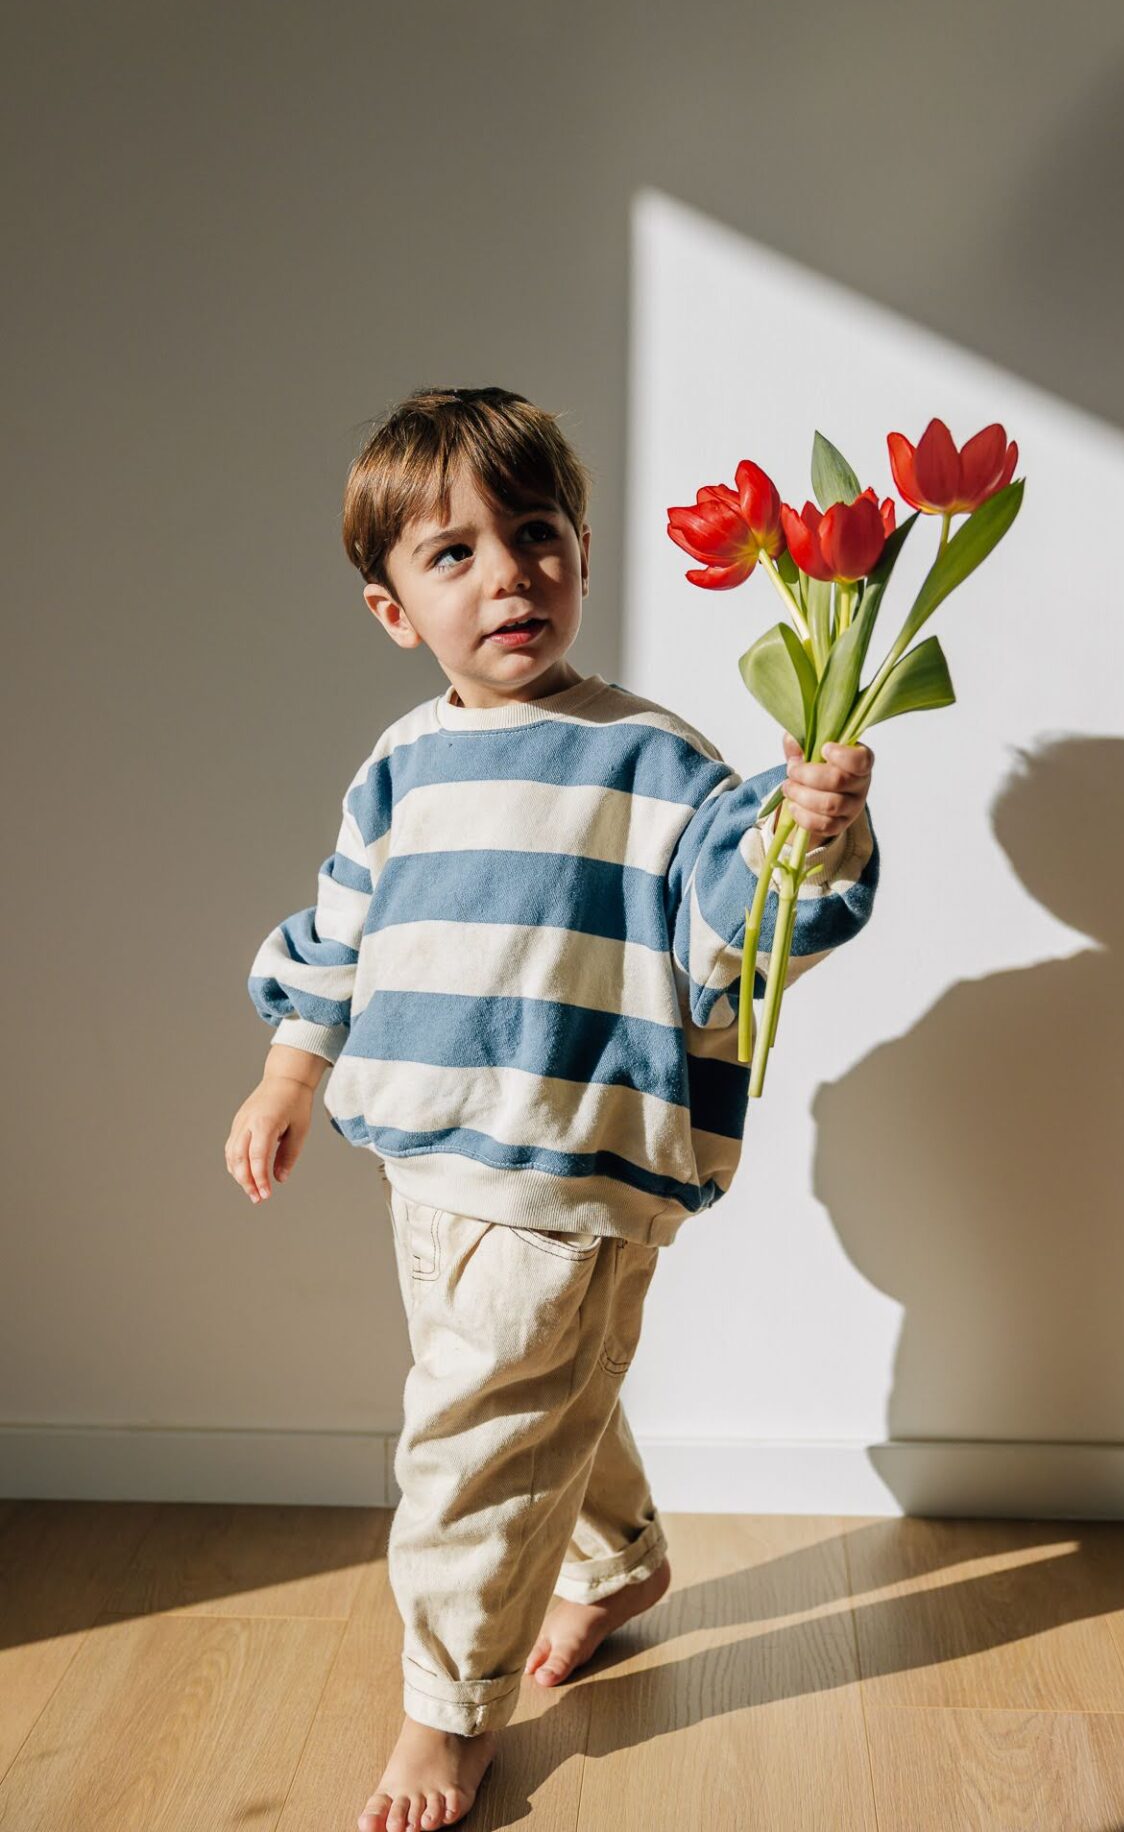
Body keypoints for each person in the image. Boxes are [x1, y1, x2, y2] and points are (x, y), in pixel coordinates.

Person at [225, 386, 880, 1832]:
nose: (507, 574)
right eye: (451, 554)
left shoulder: (651, 758)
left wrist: (810, 829)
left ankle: (450, 1715)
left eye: (534, 536)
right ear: (394, 610)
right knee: (527, 1404)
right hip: (428, 1165)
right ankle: (621, 1557)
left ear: (582, 551)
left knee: (473, 1447)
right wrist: (290, 1070)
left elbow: (738, 919)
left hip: (571, 1170)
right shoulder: (399, 763)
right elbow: (341, 930)